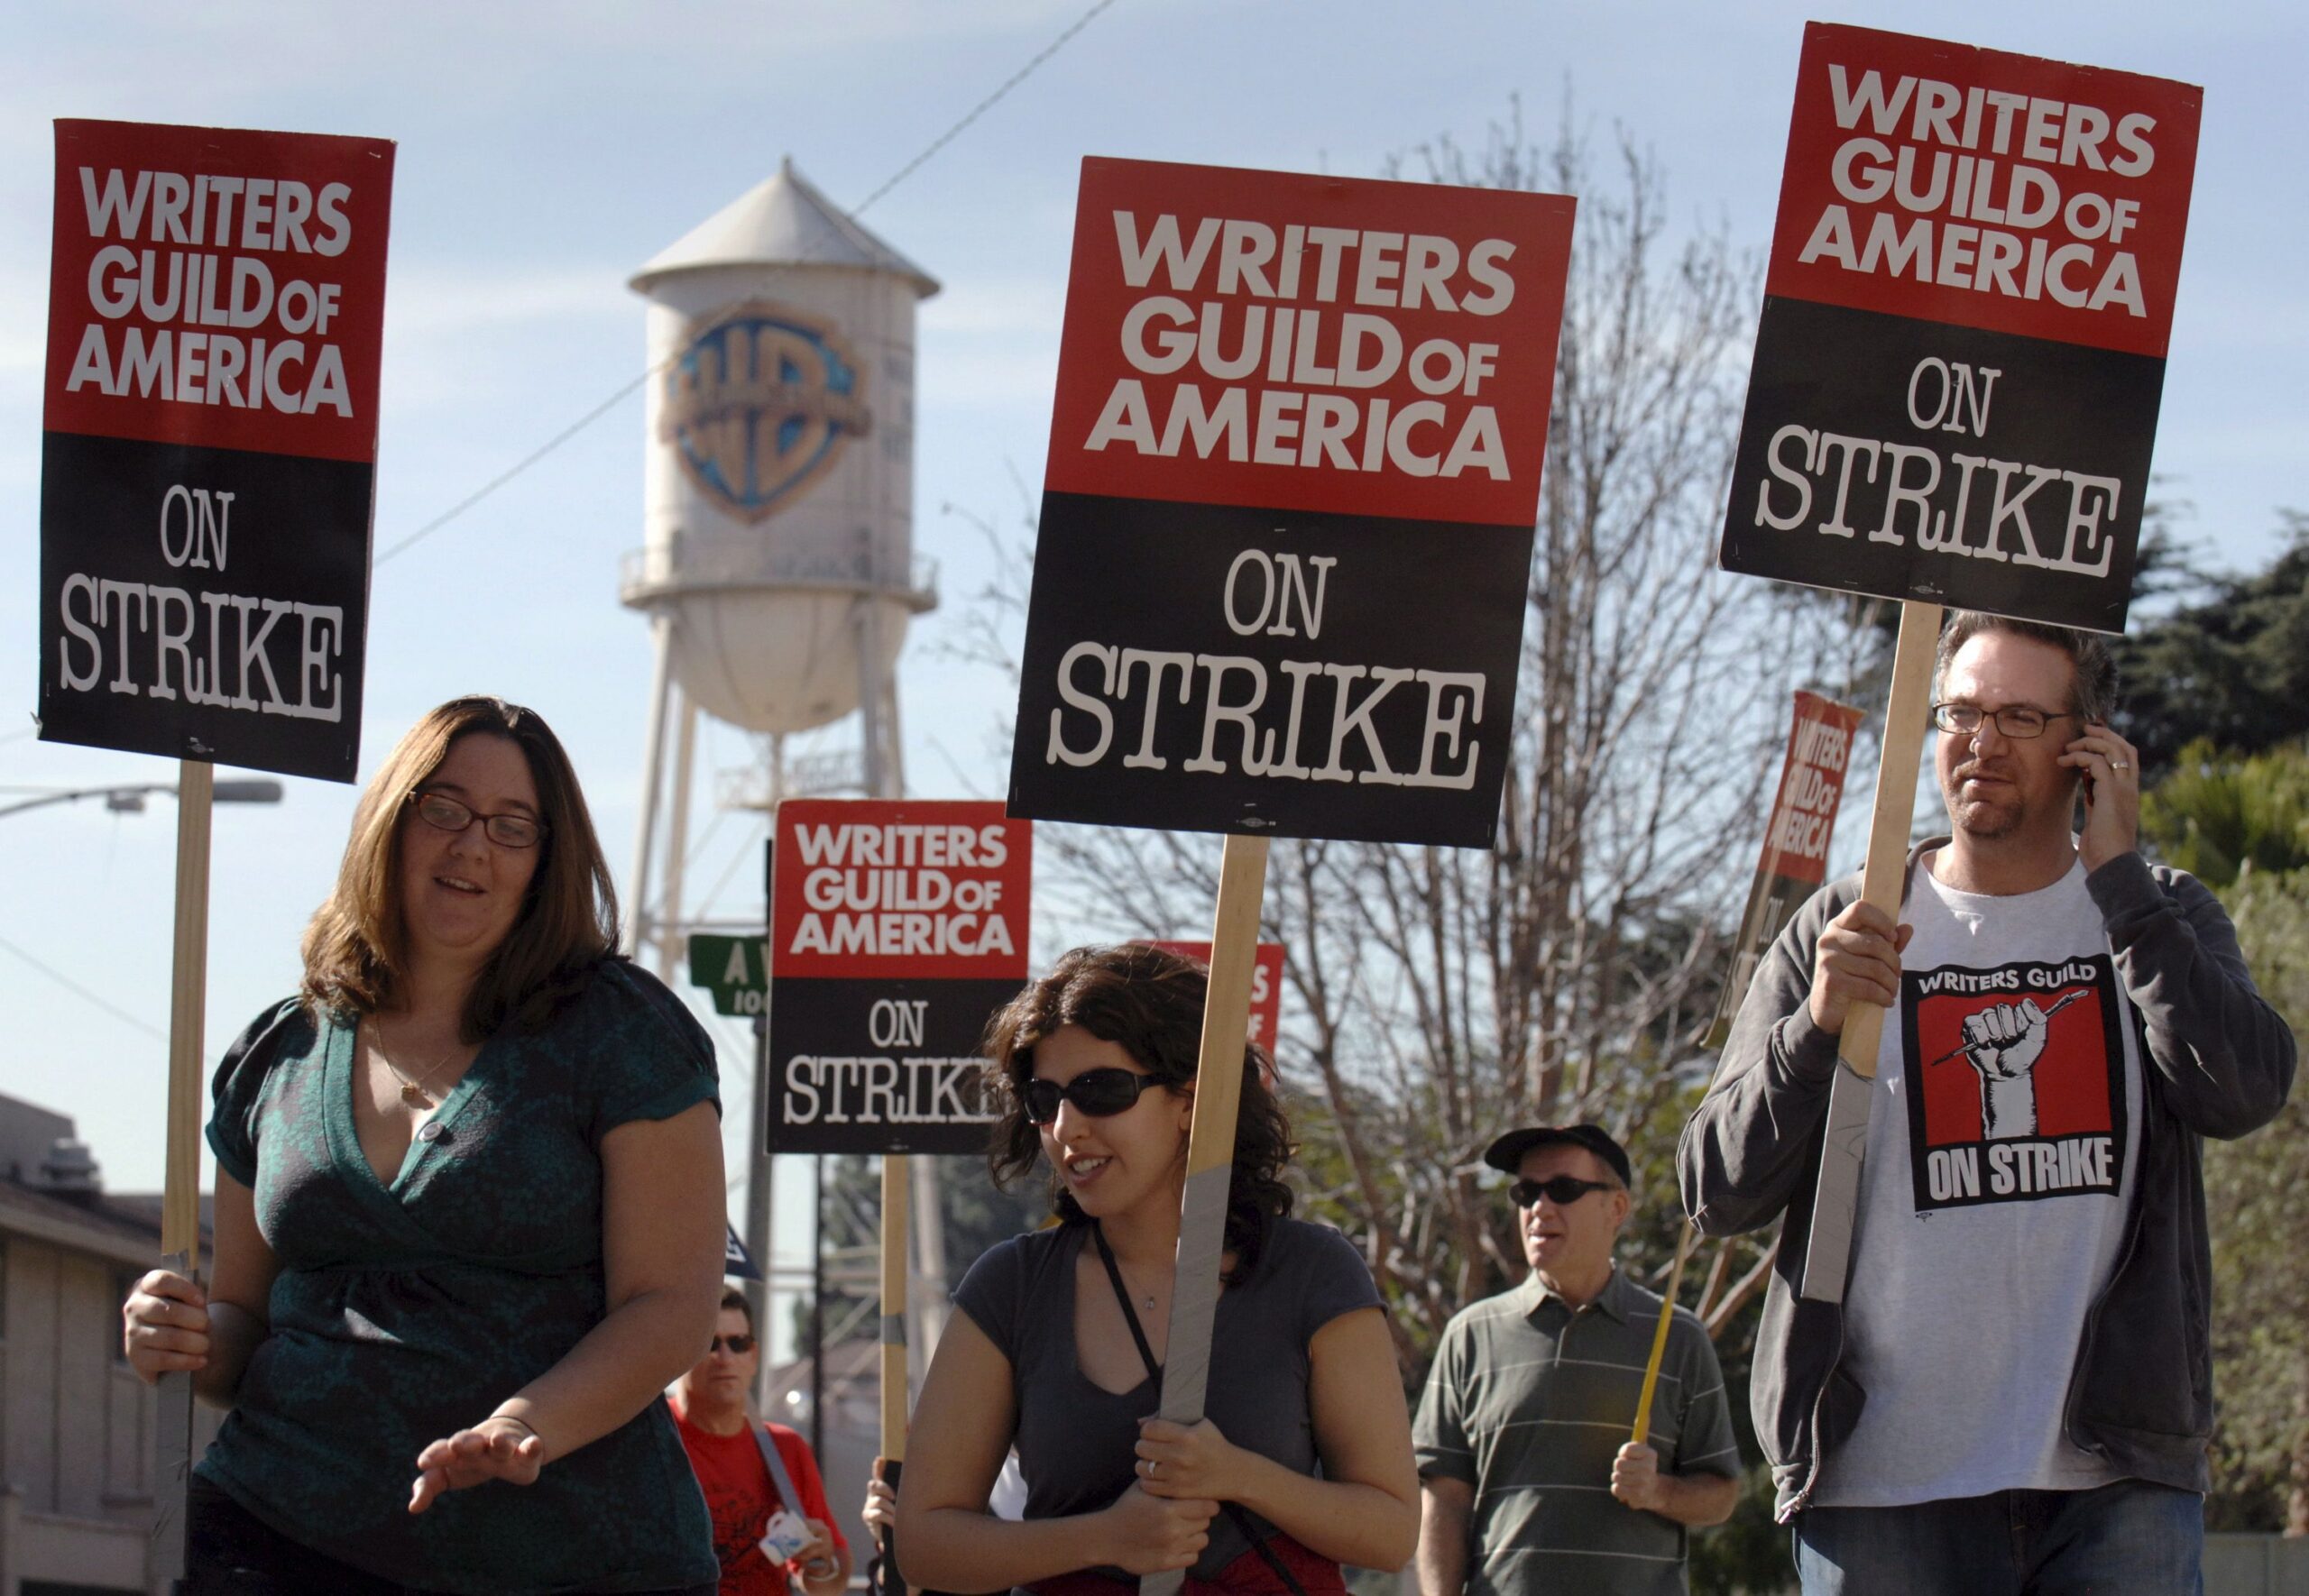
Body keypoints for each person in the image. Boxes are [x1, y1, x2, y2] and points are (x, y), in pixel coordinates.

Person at [1680, 614, 2297, 1593]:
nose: (1982, 742)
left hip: (2115, 1477)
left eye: (2019, 715)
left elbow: (2244, 1091)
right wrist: (1816, 1024)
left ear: (2086, 746)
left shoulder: (2161, 911)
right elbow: (1715, 1189)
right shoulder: (1844, 925)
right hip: (1879, 1488)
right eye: (1960, 712)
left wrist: (2123, 888)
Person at [122, 696, 728, 1595]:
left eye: (512, 826)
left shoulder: (623, 1034)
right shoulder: (278, 1053)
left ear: (546, 858)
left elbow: (670, 1305)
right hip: (273, 1532)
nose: (471, 846)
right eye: (440, 809)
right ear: (389, 822)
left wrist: (525, 1424)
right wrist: (179, 1336)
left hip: (568, 1559)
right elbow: (243, 1325)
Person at [895, 942, 1419, 1594]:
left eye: (1100, 1091)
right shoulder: (1011, 1287)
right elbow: (923, 1544)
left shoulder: (1313, 1273)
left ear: (1191, 1100)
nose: (1066, 1127)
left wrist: (1238, 1475)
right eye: (1044, 1098)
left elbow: (1393, 1530)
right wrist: (1105, 1537)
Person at [1414, 1124, 1738, 1596]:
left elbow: (1723, 1495)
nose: (1538, 1209)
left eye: (1563, 1189)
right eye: (1526, 1193)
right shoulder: (1470, 1334)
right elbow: (1444, 1498)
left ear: (1617, 1208)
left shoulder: (1678, 1334)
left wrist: (1658, 1491)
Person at [673, 1287, 850, 1596]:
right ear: (679, 1352)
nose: (725, 1358)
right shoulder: (648, 1441)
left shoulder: (785, 1449)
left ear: (753, 1357)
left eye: (738, 1343)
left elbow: (828, 1580)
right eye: (710, 1344)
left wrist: (821, 1562)